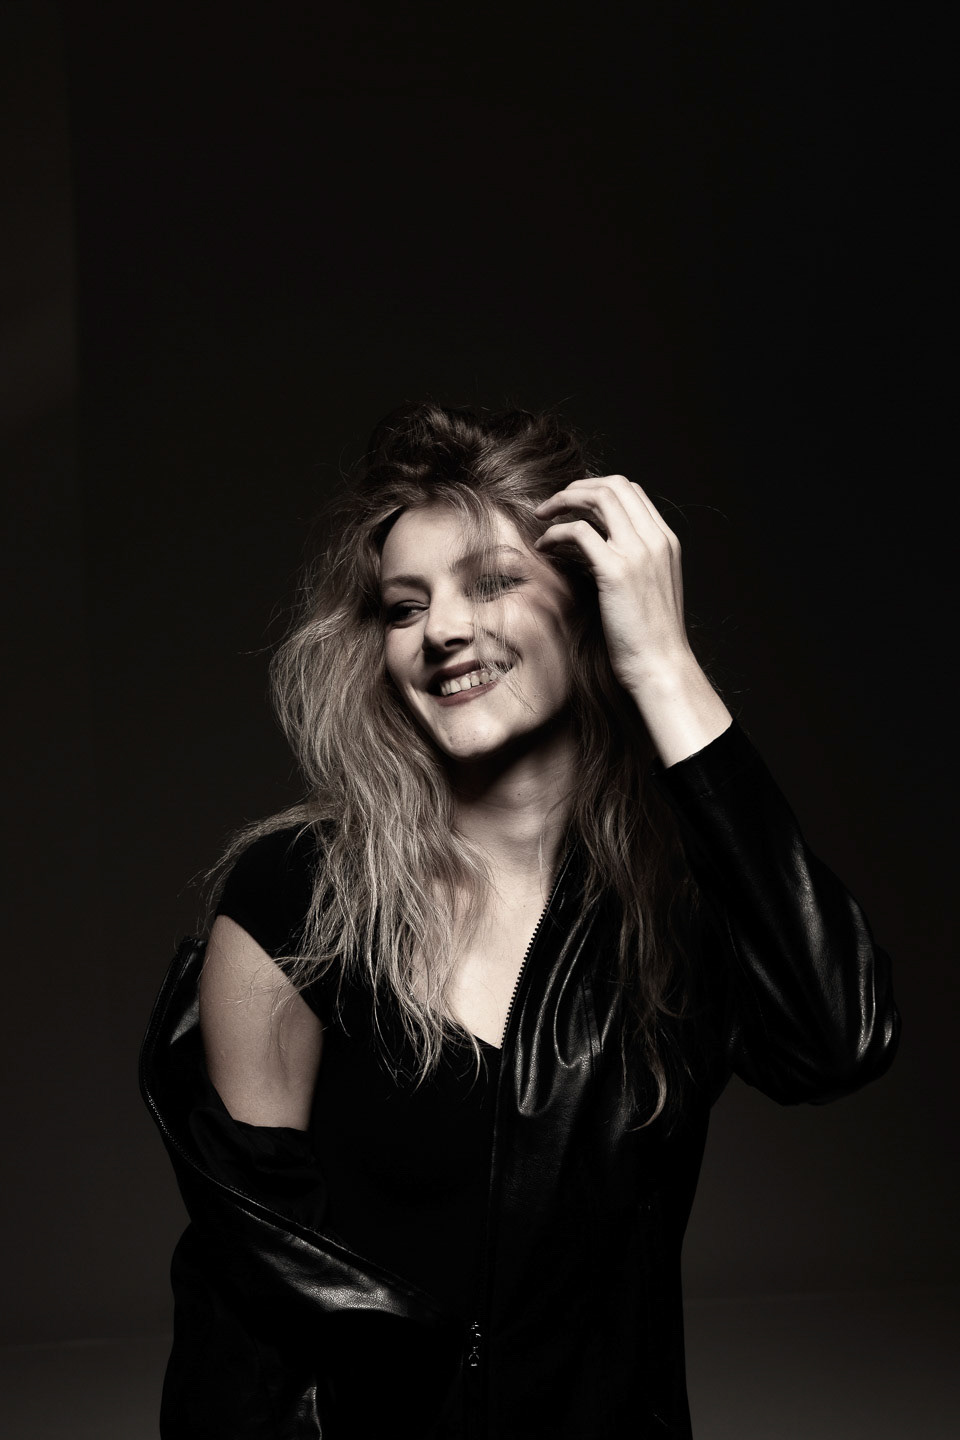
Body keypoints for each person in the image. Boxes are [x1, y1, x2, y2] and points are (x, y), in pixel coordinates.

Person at [141, 401, 900, 1439]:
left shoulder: (679, 900)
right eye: (403, 607)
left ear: (590, 608)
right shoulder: (299, 897)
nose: (443, 630)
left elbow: (839, 1038)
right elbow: (248, 1311)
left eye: (493, 582)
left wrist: (664, 665)